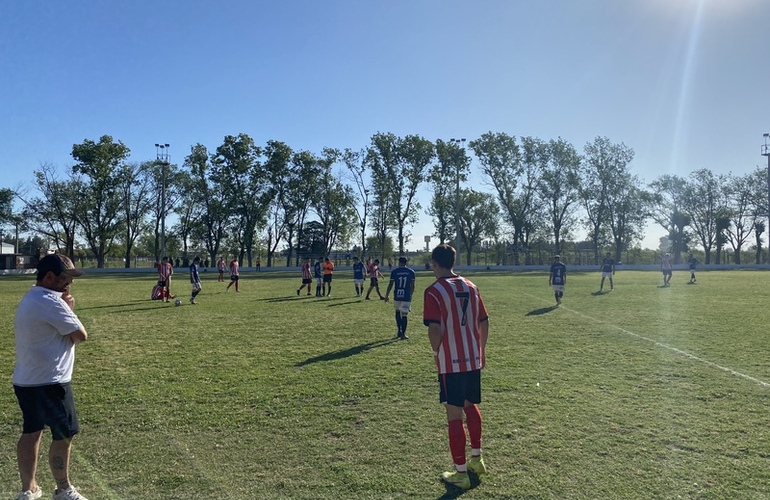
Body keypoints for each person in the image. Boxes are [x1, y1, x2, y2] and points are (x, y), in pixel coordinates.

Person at [13, 253, 90, 500]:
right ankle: (63, 488)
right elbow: (80, 335)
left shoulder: (30, 298)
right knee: (63, 434)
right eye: (65, 278)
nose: (70, 284)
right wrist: (69, 309)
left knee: (32, 431)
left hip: (26, 379)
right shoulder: (51, 301)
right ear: (49, 277)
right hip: (52, 380)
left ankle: (29, 489)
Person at [423, 244, 489, 490]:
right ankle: (477, 458)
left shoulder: (434, 291)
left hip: (451, 362)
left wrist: (436, 351)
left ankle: (460, 472)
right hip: (472, 359)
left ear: (435, 264)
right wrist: (481, 351)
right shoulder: (471, 286)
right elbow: (484, 321)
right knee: (470, 405)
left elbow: (434, 328)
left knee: (453, 414)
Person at [385, 256, 416, 340]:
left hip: (397, 295)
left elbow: (390, 284)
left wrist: (387, 295)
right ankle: (403, 334)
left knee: (398, 312)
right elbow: (412, 285)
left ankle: (399, 330)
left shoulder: (395, 272)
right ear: (406, 262)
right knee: (405, 314)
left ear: (399, 262)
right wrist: (411, 294)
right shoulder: (411, 272)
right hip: (406, 295)